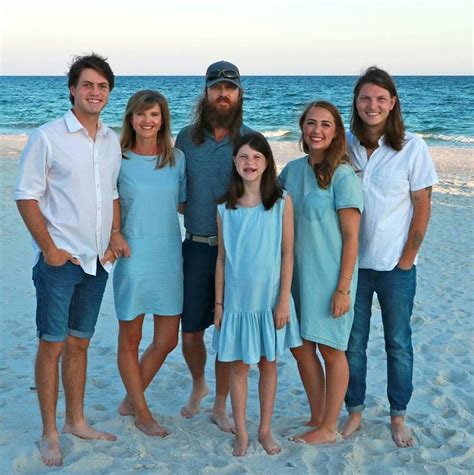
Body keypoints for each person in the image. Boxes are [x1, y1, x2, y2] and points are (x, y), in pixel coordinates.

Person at [14, 53, 120, 467]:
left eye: (102, 86)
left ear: (109, 94)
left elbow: (111, 194)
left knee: (80, 343)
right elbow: (26, 195)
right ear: (73, 89)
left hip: (98, 263)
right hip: (60, 262)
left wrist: (114, 235)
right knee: (52, 345)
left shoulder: (111, 140)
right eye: (88, 85)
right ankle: (49, 432)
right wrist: (49, 248)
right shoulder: (48, 136)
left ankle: (76, 420)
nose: (95, 93)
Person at [342, 66, 438, 447]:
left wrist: (407, 258)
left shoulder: (413, 147)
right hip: (352, 267)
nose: (373, 105)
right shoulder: (344, 145)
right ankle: (355, 413)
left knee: (398, 343)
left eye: (381, 98)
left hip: (396, 268)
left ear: (392, 103)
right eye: (365, 97)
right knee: (353, 345)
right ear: (356, 102)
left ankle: (398, 417)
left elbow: (422, 205)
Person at [174, 60, 253, 432]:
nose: (223, 94)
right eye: (216, 87)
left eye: (230, 88)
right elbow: (176, 192)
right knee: (190, 330)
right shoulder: (185, 139)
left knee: (227, 332)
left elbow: (264, 196)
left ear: (239, 94)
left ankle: (221, 404)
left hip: (237, 253)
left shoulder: (250, 141)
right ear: (205, 93)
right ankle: (198, 384)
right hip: (197, 247)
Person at [213, 132, 302, 456]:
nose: (250, 163)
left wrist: (282, 301)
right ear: (235, 162)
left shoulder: (280, 203)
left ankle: (264, 429)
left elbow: (287, 253)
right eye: (244, 157)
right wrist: (219, 303)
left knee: (268, 364)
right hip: (237, 302)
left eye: (257, 157)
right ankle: (242, 432)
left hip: (269, 301)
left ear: (267, 163)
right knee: (238, 367)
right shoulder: (225, 207)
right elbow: (221, 259)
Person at [280, 101, 363, 444]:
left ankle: (329, 428)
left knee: (331, 349)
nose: (317, 130)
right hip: (296, 275)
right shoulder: (292, 170)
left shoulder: (343, 176)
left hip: (330, 277)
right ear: (302, 128)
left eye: (326, 124)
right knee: (300, 347)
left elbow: (352, 237)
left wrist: (343, 288)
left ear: (336, 132)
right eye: (311, 123)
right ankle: (317, 415)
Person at [109, 90, 186, 436]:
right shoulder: (117, 158)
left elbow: (183, 204)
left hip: (169, 255)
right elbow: (106, 199)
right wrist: (113, 233)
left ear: (163, 120)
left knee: (168, 338)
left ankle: (130, 399)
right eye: (141, 114)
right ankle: (141, 412)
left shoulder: (177, 159)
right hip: (132, 255)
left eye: (154, 115)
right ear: (130, 118)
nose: (147, 121)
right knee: (131, 337)